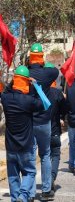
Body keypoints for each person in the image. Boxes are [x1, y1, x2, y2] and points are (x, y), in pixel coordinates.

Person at [2, 66, 44, 202]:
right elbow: (46, 103)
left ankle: (16, 199)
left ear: (15, 80)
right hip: (26, 145)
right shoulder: (29, 101)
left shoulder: (6, 99)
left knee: (13, 177)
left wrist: (13, 80)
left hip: (10, 146)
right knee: (30, 172)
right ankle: (23, 195)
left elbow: (6, 90)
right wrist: (36, 86)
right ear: (26, 81)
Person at [27, 43, 59, 200]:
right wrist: (44, 62)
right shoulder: (47, 74)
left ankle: (31, 193)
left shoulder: (25, 74)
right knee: (45, 153)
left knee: (31, 156)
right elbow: (56, 70)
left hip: (29, 121)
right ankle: (46, 191)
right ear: (41, 58)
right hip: (44, 121)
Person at [44, 62, 66, 192]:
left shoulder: (37, 92)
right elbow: (65, 108)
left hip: (41, 132)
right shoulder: (57, 93)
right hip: (55, 131)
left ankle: (47, 181)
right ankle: (51, 177)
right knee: (55, 154)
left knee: (45, 157)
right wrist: (62, 116)